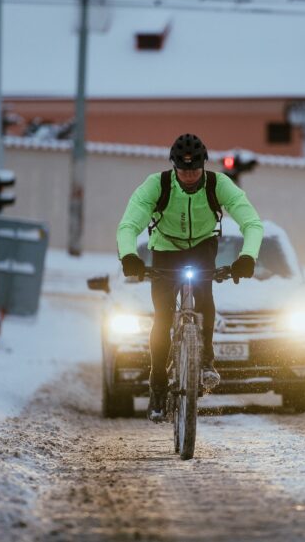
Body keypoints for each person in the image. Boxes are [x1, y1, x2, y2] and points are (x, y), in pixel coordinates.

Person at [116, 134, 264, 421]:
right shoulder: (156, 186)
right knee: (162, 317)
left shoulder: (217, 185)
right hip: (165, 250)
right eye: (183, 171)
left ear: (204, 166)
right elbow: (129, 224)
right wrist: (129, 256)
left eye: (195, 170)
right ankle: (158, 386)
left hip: (201, 248)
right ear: (173, 167)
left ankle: (206, 360)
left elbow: (252, 223)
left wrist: (248, 257)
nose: (189, 176)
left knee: (204, 295)